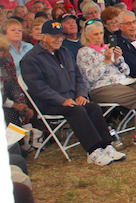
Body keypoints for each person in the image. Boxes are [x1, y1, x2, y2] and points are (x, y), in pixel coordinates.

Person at [20, 20, 126, 166]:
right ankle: (93, 151)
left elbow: (78, 77)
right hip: (49, 103)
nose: (58, 39)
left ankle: (106, 145)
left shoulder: (64, 52)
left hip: (72, 98)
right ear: (43, 37)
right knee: (77, 111)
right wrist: (61, 100)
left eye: (60, 36)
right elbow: (38, 88)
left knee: (92, 107)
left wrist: (81, 94)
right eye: (54, 36)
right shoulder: (31, 59)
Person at [77, 20, 136, 147]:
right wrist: (105, 60)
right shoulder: (84, 52)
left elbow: (127, 70)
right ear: (87, 35)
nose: (99, 36)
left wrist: (117, 60)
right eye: (95, 34)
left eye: (101, 33)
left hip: (123, 82)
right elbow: (90, 77)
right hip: (101, 88)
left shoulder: (108, 47)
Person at [0, 35, 34, 126]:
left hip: (7, 101)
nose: (0, 54)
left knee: (17, 119)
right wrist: (16, 106)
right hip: (5, 103)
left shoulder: (7, 60)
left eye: (2, 50)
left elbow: (14, 84)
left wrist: (22, 105)